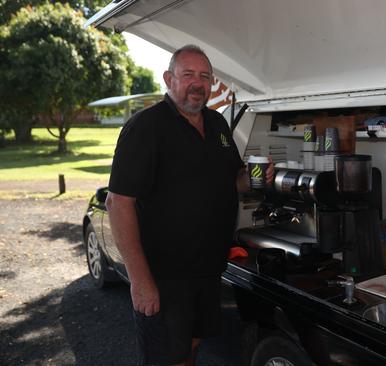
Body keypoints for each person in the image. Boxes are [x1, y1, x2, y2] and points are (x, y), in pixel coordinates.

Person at [105, 44, 274, 366]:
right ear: (169, 79)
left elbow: (233, 180)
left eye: (205, 76)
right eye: (188, 75)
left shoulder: (217, 124)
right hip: (164, 275)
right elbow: (118, 203)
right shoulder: (145, 127)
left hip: (208, 270)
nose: (198, 83)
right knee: (166, 357)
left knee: (191, 348)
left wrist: (256, 178)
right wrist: (141, 282)